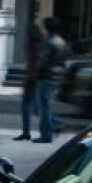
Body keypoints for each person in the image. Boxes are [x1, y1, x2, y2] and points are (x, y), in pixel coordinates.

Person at [34, 16, 69, 144]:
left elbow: (43, 61)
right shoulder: (62, 42)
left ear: (47, 28)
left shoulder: (48, 42)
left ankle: (47, 133)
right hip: (56, 77)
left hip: (45, 77)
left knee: (42, 107)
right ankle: (55, 125)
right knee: (44, 106)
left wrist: (36, 74)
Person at [13, 24, 43, 141]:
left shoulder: (34, 48)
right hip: (35, 80)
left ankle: (26, 132)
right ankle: (26, 132)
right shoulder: (39, 46)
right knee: (34, 107)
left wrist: (27, 81)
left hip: (32, 81)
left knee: (30, 107)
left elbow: (32, 67)